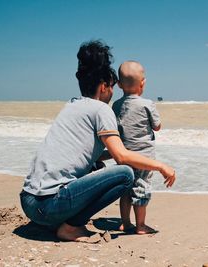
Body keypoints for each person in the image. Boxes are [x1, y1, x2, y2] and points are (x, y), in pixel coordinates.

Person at [19, 41, 176, 243]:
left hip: (29, 202)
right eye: (111, 87)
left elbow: (89, 153)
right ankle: (70, 227)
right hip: (49, 206)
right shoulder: (102, 109)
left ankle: (58, 221)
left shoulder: (72, 105)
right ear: (103, 87)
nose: (112, 93)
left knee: (97, 164)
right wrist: (160, 165)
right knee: (126, 174)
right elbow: (121, 157)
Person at [113, 61, 162, 235]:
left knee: (126, 189)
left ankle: (125, 223)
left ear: (119, 84)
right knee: (141, 187)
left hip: (124, 155)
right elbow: (157, 126)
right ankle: (140, 225)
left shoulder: (116, 105)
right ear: (143, 83)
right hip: (145, 157)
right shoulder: (147, 104)